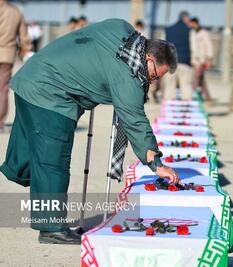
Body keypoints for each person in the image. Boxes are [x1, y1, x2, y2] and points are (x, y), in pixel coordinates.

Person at [0, 19, 179, 244]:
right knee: (52, 163)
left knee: (34, 154)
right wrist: (157, 164)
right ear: (148, 59)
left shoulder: (121, 29)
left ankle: (23, 177)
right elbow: (135, 120)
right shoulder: (128, 76)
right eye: (154, 76)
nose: (151, 82)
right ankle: (51, 228)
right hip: (51, 96)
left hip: (30, 79)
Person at [0, 0, 32, 133]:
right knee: (2, 90)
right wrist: (26, 48)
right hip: (7, 54)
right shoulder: (15, 12)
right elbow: (24, 36)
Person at [164, 11, 193, 101]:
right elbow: (193, 47)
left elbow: (163, 47)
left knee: (169, 88)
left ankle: (169, 110)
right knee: (186, 87)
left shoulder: (168, 30)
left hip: (171, 63)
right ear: (185, 18)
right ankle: (186, 110)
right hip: (185, 62)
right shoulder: (190, 31)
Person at [190, 17, 214, 103]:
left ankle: (192, 96)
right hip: (194, 60)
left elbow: (209, 46)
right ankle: (208, 98)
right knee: (201, 80)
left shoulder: (204, 33)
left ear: (196, 23)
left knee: (196, 79)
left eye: (192, 24)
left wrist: (209, 58)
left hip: (202, 60)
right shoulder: (192, 33)